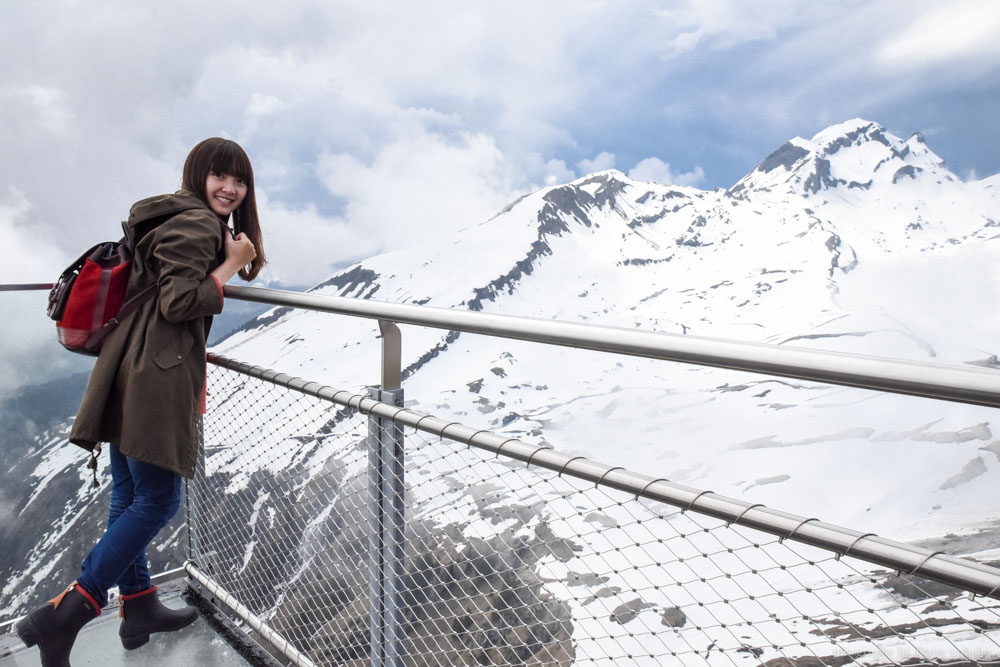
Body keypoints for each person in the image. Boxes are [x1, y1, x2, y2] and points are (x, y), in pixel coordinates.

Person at [16, 138, 265, 666]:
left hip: (127, 365)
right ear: (197, 176)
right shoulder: (197, 225)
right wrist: (231, 263)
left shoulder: (166, 215)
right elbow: (180, 301)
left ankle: (139, 604)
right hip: (157, 375)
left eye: (239, 180)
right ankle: (68, 613)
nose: (230, 188)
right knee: (158, 500)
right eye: (219, 176)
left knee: (129, 494)